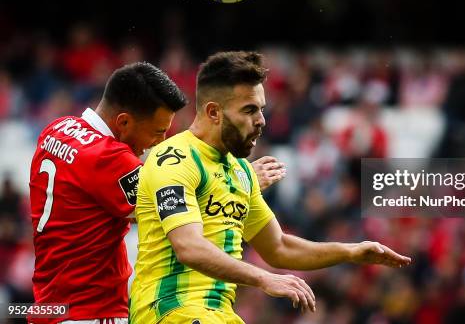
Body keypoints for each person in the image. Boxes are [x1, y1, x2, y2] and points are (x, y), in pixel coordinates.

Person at [129, 51, 411, 324]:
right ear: (214, 112)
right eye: (249, 110)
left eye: (261, 109)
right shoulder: (174, 159)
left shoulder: (240, 171)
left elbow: (278, 247)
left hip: (218, 314)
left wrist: (350, 252)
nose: (261, 121)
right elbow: (189, 248)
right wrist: (264, 278)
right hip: (169, 309)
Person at [29, 62, 285, 324]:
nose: (159, 143)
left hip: (48, 305)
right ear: (124, 121)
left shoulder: (57, 129)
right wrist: (243, 180)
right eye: (158, 132)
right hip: (91, 311)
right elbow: (174, 206)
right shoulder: (110, 160)